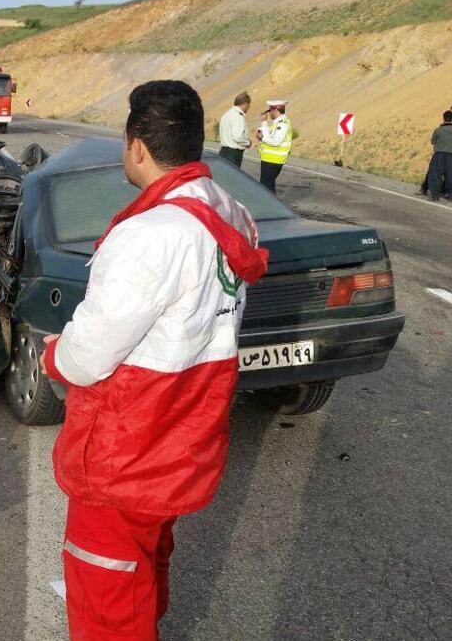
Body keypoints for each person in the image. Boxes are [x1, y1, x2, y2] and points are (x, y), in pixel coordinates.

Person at [40, 80, 268, 640]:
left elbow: (89, 355)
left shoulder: (150, 235)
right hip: (182, 436)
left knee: (107, 597)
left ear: (136, 146)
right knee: (145, 566)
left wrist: (54, 357)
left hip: (127, 452)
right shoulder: (231, 214)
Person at [420, 105, 452, 195]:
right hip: (440, 151)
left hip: (451, 152)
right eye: (451, 112)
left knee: (449, 173)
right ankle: (425, 188)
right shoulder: (445, 123)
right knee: (433, 171)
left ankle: (446, 191)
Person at [255, 99, 292, 193]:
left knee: (266, 189)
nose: (269, 114)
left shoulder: (282, 125)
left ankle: (270, 207)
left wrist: (262, 138)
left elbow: (276, 141)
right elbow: (269, 136)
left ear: (275, 110)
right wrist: (263, 126)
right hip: (269, 160)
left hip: (273, 161)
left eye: (269, 111)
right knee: (267, 187)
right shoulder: (277, 124)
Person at [217, 92, 252, 168]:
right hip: (233, 154)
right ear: (245, 103)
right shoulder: (238, 116)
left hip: (224, 151)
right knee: (231, 178)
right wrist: (248, 142)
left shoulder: (227, 114)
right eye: (249, 105)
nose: (249, 107)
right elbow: (237, 137)